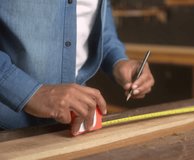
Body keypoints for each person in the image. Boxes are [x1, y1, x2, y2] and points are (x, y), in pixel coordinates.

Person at [0, 0, 154, 135]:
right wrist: (30, 92)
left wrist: (118, 61)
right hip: (8, 127)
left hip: (73, 124)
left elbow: (95, 21)